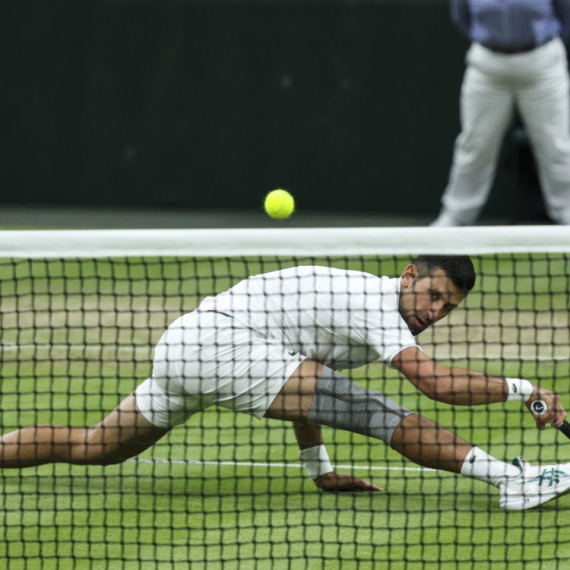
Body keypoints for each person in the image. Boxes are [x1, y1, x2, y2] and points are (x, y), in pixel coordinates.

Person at [0, 256, 568, 511]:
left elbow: (299, 381)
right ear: (409, 276)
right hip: (219, 345)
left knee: (94, 448)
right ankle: (509, 480)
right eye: (433, 295)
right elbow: (436, 385)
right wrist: (525, 389)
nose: (436, 311)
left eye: (449, 307)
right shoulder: (372, 305)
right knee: (374, 410)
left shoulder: (368, 309)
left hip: (187, 347)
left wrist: (319, 470)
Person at [431, 0, 570, 227]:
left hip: (542, 63)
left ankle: (567, 213)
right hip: (487, 65)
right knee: (474, 144)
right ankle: (456, 216)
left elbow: (566, 14)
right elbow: (461, 17)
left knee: (556, 146)